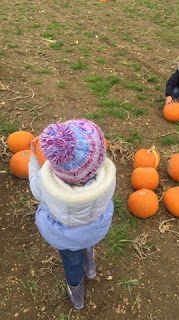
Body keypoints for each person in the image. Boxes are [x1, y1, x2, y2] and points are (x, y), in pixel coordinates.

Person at [28, 119, 116, 310]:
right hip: (95, 228)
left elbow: (34, 182)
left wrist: (34, 157)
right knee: (87, 243)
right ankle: (91, 268)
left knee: (72, 264)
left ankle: (77, 297)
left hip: (64, 236)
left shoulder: (46, 184)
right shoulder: (107, 180)